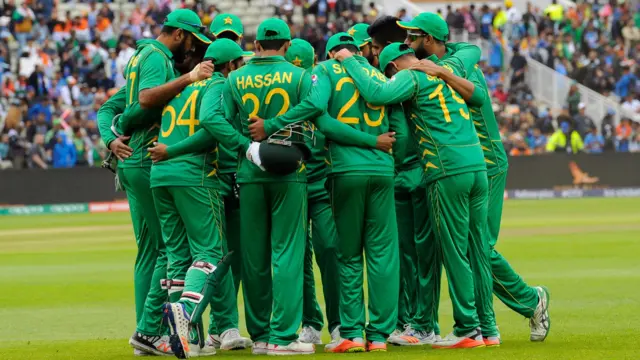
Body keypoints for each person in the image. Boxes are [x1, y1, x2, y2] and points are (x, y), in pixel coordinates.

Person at [256, 32, 409, 353]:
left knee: (348, 254)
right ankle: (379, 335)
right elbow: (402, 131)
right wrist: (383, 150)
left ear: (330, 54)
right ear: (358, 52)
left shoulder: (325, 71)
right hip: (382, 170)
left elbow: (321, 120)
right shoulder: (376, 74)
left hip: (344, 171)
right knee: (383, 255)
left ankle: (351, 333)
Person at [334, 37, 490, 349]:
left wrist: (350, 60)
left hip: (447, 170)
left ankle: (467, 328)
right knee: (478, 250)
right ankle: (489, 328)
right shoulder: (443, 71)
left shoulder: (410, 77)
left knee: (454, 252)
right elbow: (480, 98)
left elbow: (376, 93)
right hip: (477, 166)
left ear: (392, 66)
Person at [97, 8, 213, 357]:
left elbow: (109, 108)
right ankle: (153, 332)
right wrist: (190, 77)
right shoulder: (155, 57)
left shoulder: (140, 57)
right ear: (179, 34)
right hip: (147, 159)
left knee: (149, 251)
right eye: (192, 40)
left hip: (132, 162)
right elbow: (146, 100)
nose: (193, 48)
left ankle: (149, 333)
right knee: (169, 249)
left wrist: (111, 137)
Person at [143, 38, 255, 359]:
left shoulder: (181, 89)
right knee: (212, 254)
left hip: (160, 176)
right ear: (230, 65)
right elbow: (210, 128)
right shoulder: (218, 85)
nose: (242, 69)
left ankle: (184, 338)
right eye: (240, 63)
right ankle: (187, 311)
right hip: (195, 176)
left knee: (178, 256)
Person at [366, 15, 439, 347]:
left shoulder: (415, 76)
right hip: (397, 178)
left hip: (421, 175)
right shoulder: (400, 76)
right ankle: (408, 321)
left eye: (378, 49)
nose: (373, 55)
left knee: (425, 255)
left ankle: (427, 323)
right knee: (404, 254)